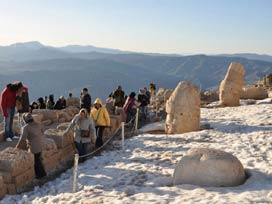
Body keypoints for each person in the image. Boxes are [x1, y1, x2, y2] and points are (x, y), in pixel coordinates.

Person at [16, 113, 47, 179]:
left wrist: (16, 148)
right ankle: (42, 174)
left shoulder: (26, 128)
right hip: (42, 144)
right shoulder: (38, 123)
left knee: (36, 161)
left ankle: (41, 176)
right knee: (39, 159)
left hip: (34, 148)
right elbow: (43, 131)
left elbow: (22, 139)